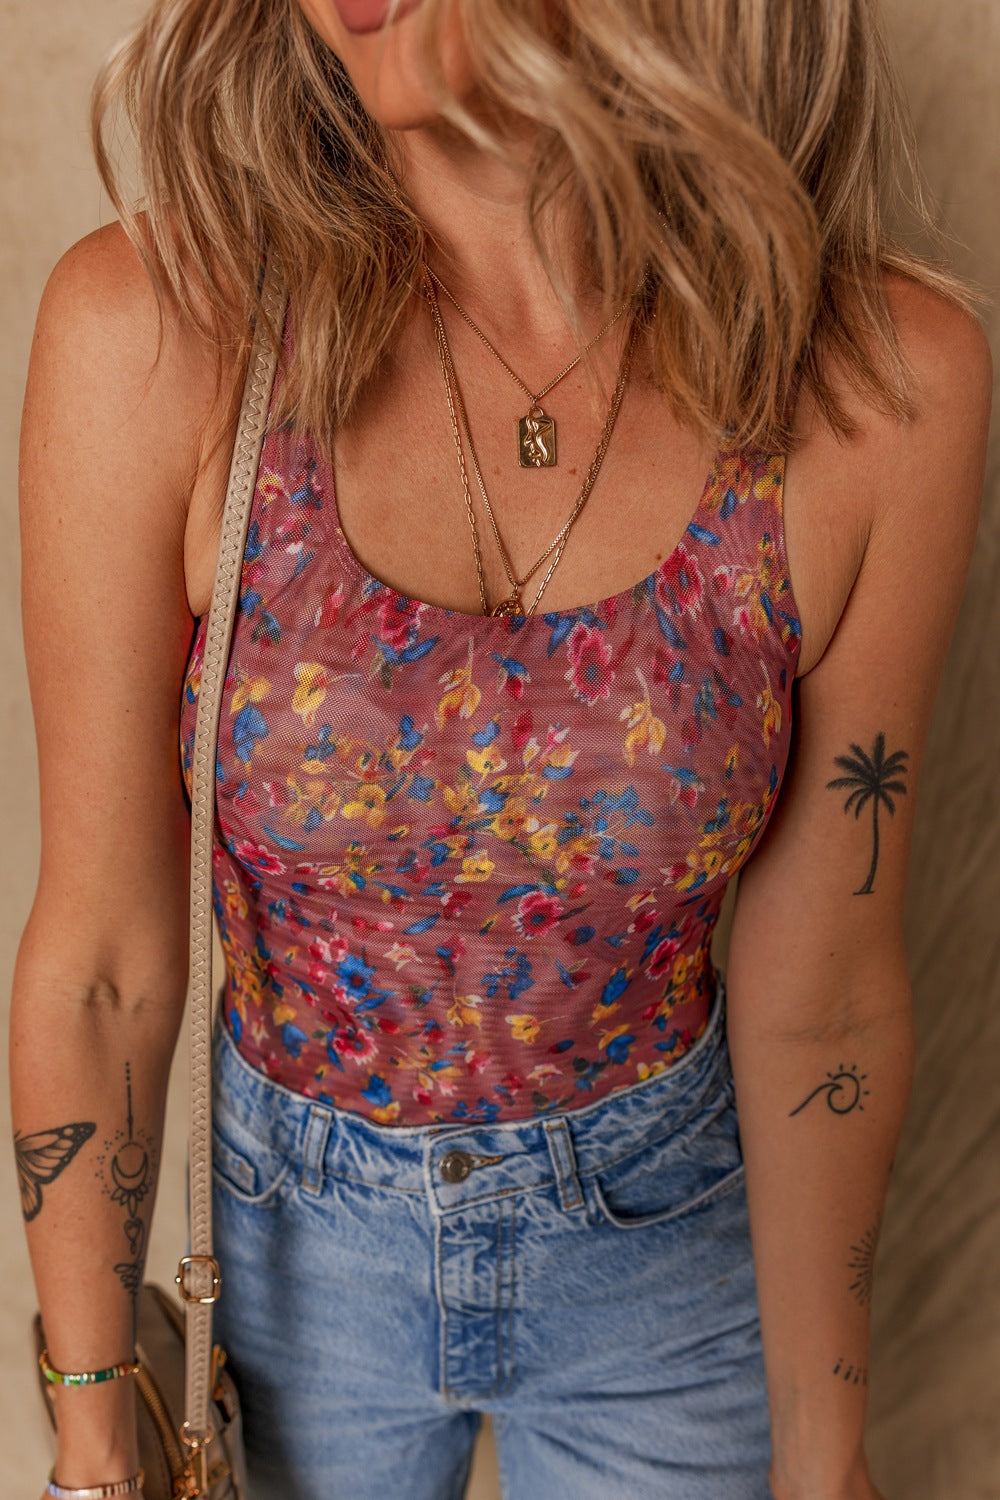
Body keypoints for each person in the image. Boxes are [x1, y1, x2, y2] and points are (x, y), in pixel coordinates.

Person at [12, 0, 992, 1497]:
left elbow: (828, 1000)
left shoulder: (878, 389)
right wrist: (94, 1442)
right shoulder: (160, 333)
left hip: (669, 1263)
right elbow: (102, 961)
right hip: (290, 1258)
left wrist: (825, 1453)